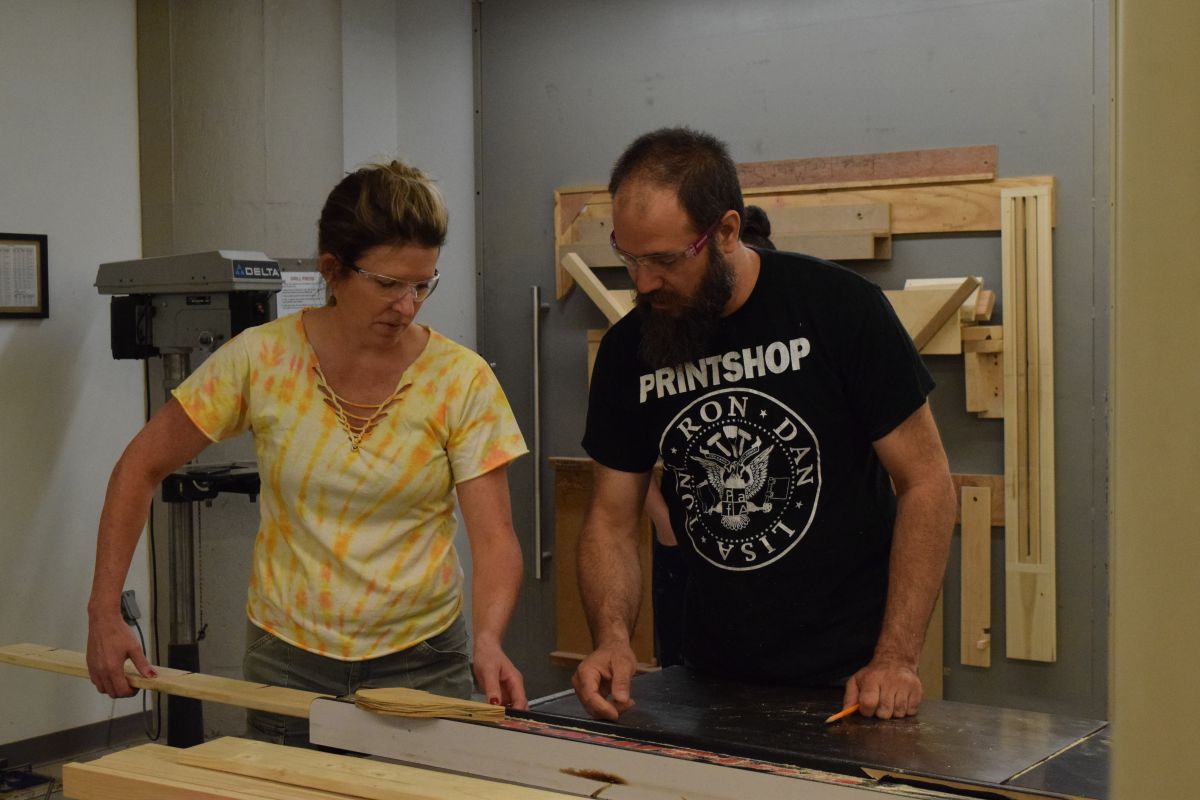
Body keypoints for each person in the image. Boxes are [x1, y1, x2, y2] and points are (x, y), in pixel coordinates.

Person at [86, 160, 530, 745]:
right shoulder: (262, 359)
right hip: (288, 659)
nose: (409, 305)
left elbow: (496, 538)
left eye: (423, 284)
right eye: (389, 284)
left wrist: (490, 639)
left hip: (422, 658)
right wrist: (104, 611)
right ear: (332, 271)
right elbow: (139, 466)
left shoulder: (461, 379)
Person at [573, 127, 956, 723]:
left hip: (852, 675)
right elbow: (610, 520)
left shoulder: (838, 309)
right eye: (629, 257)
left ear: (725, 231)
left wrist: (897, 657)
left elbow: (927, 483)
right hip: (705, 669)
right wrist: (612, 638)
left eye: (666, 260)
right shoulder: (632, 350)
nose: (644, 282)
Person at [645, 204, 776, 668]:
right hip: (685, 557)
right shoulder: (664, 330)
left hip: (773, 576)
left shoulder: (788, 322)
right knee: (679, 675)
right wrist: (666, 528)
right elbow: (627, 466)